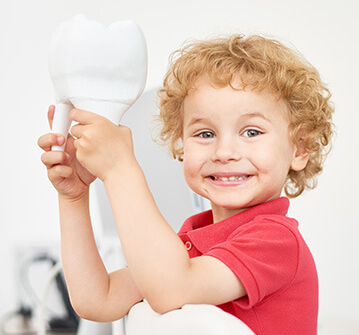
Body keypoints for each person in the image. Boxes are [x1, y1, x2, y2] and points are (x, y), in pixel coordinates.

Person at [38, 34, 334, 334]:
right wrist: (74, 197)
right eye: (205, 134)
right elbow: (98, 300)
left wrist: (119, 168)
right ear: (181, 145)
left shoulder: (277, 241)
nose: (224, 153)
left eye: (252, 132)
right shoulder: (189, 244)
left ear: (299, 149)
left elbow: (172, 289)